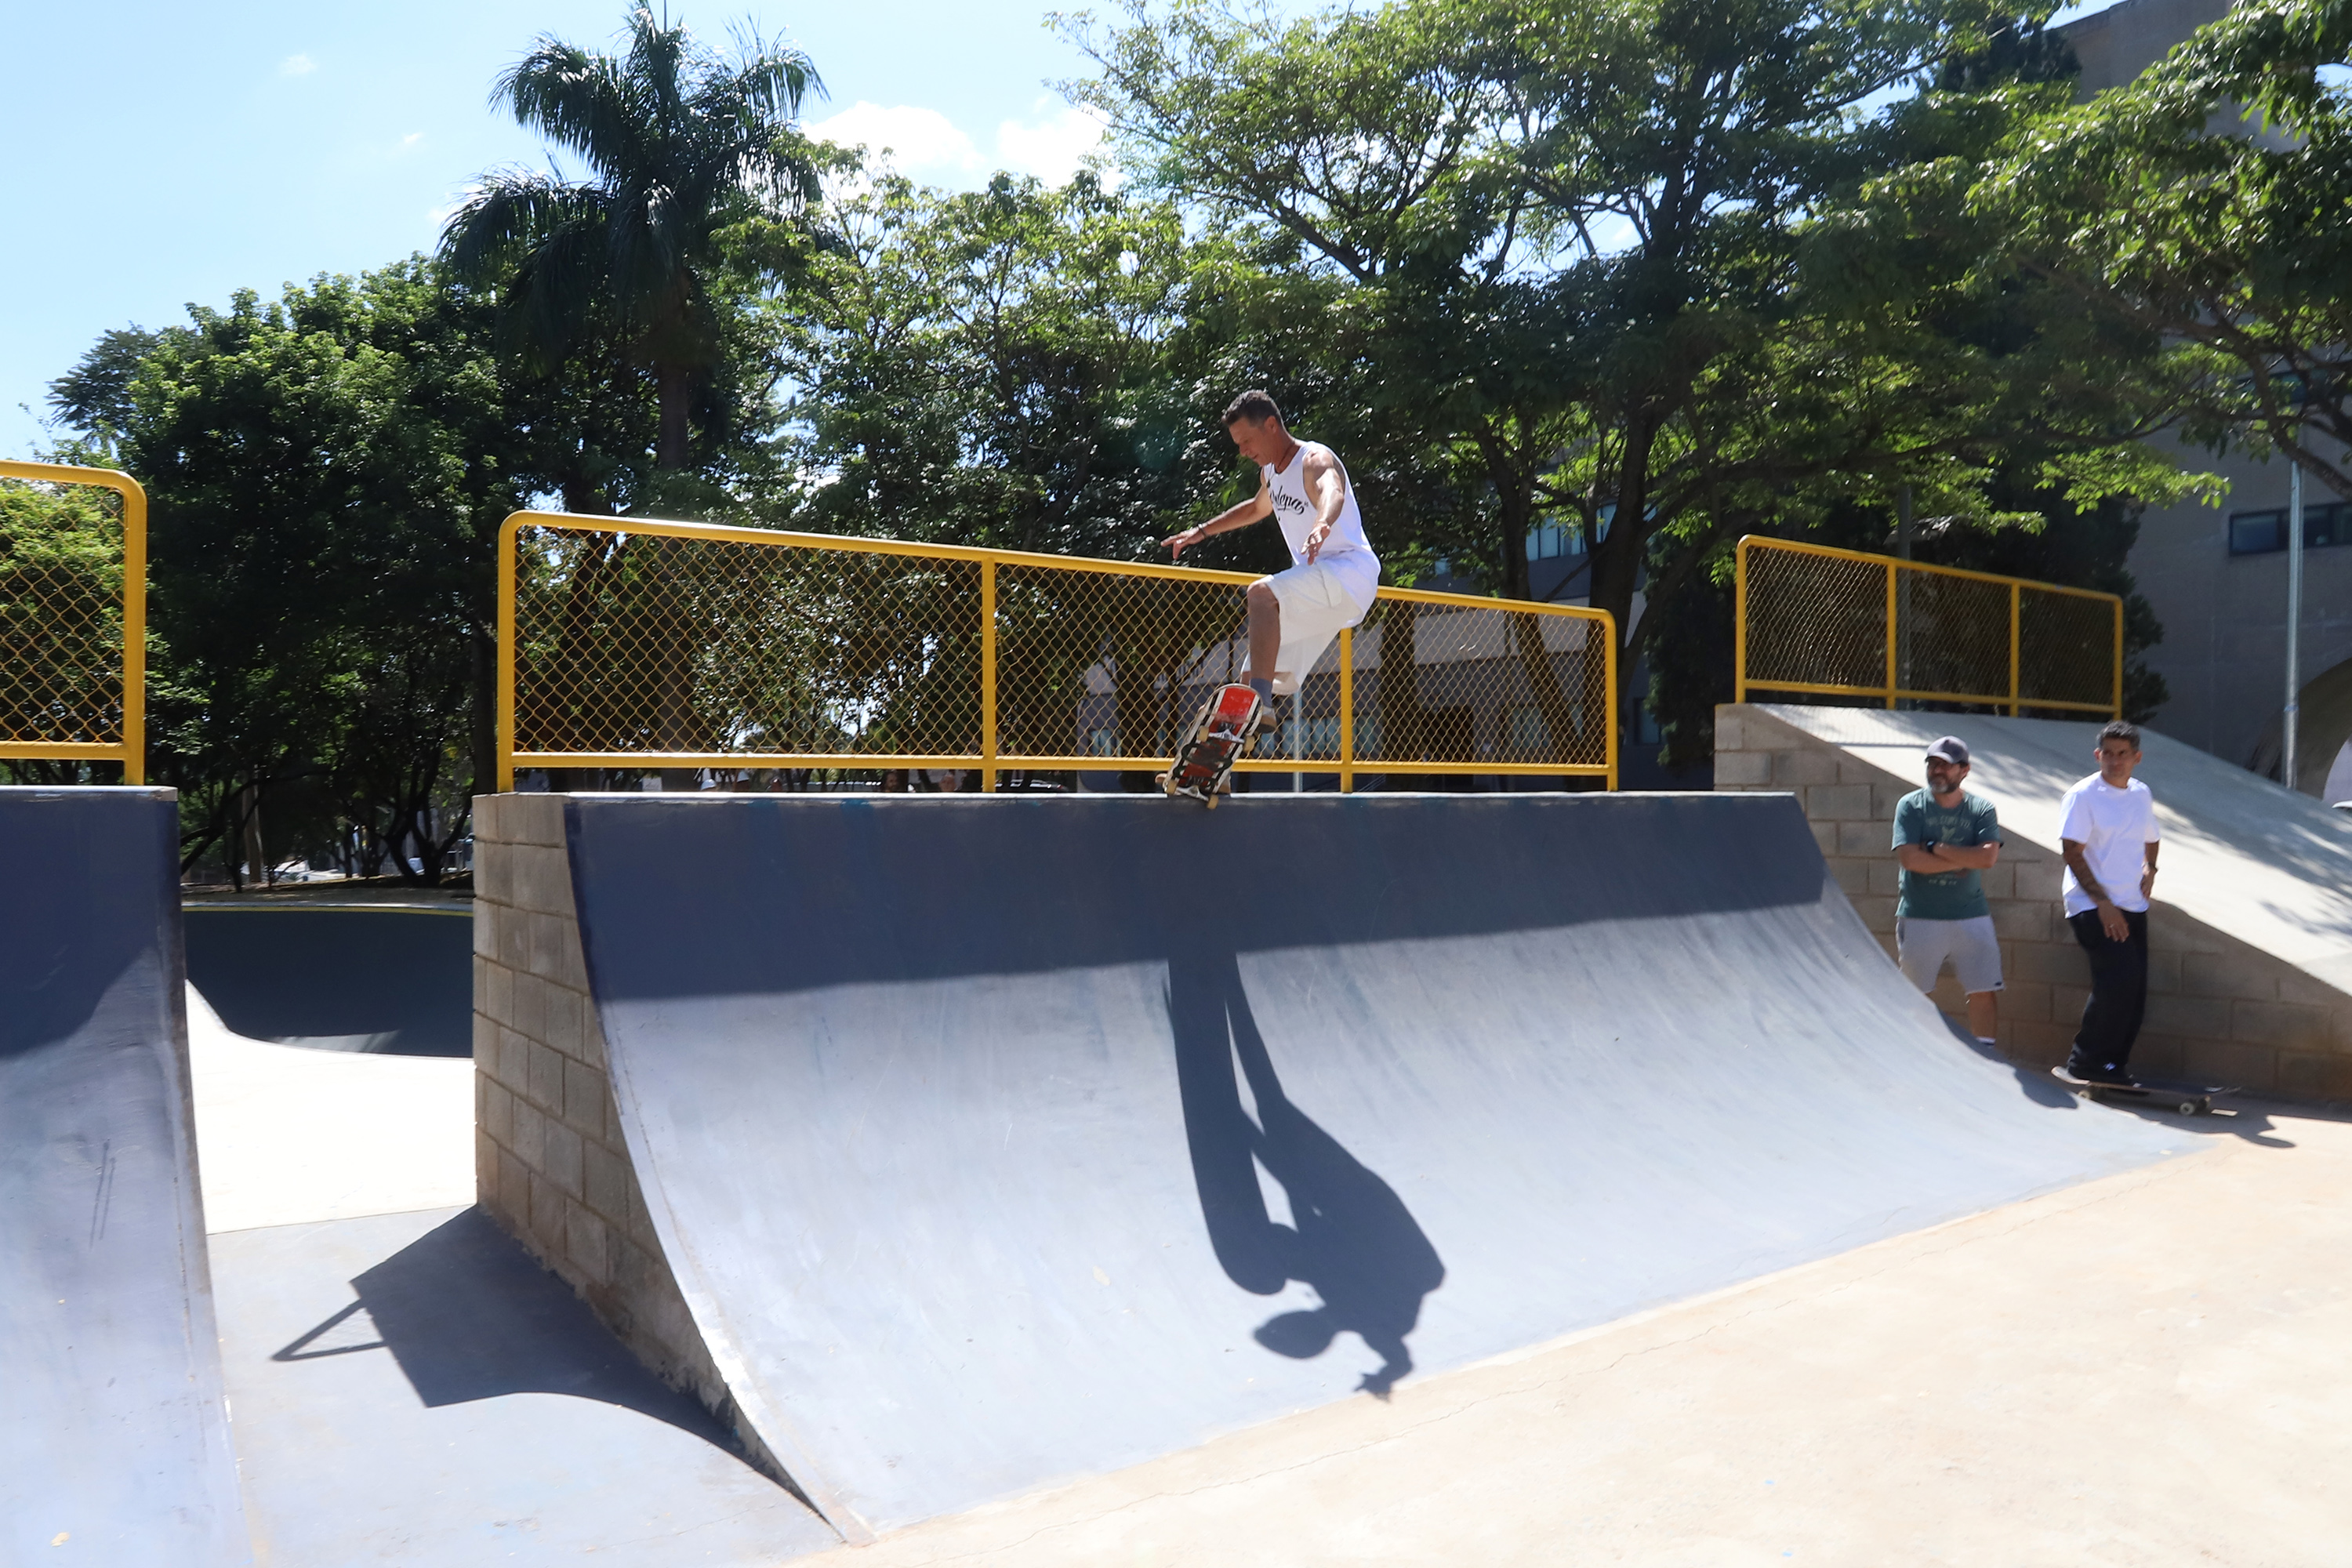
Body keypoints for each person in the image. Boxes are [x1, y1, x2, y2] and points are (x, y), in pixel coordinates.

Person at [1161, 390, 1380, 726]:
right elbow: (1254, 508)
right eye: (1238, 444)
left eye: (1247, 440)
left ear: (1271, 425)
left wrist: (1322, 523)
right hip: (1322, 589)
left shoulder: (1313, 459)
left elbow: (1332, 490)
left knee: (1261, 594)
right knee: (1248, 681)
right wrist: (1201, 531)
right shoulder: (1271, 474)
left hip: (1348, 573)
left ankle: (1262, 705)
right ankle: (1214, 773)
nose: (1244, 451)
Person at [2059, 720, 2161, 1084]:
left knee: (2134, 989)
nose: (2115, 761)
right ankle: (2085, 1061)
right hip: (2092, 905)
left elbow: (2151, 836)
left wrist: (2151, 867)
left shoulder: (2140, 794)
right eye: (2108, 754)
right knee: (2118, 980)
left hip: (2132, 904)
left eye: (2123, 755)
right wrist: (2102, 902)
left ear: (2137, 758)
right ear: (2097, 755)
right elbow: (2072, 851)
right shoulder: (2083, 795)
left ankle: (2113, 1065)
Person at [1891, 735, 2005, 1045]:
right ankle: (1917, 1054)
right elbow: (1911, 860)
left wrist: (1937, 849)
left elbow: (1987, 857)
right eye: (1933, 764)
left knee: (1984, 990)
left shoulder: (1980, 809)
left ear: (1964, 770)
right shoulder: (1911, 806)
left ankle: (1987, 1055)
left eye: (1946, 765)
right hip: (1919, 916)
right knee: (1916, 995)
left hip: (1971, 916)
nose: (1938, 771)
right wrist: (1959, 861)